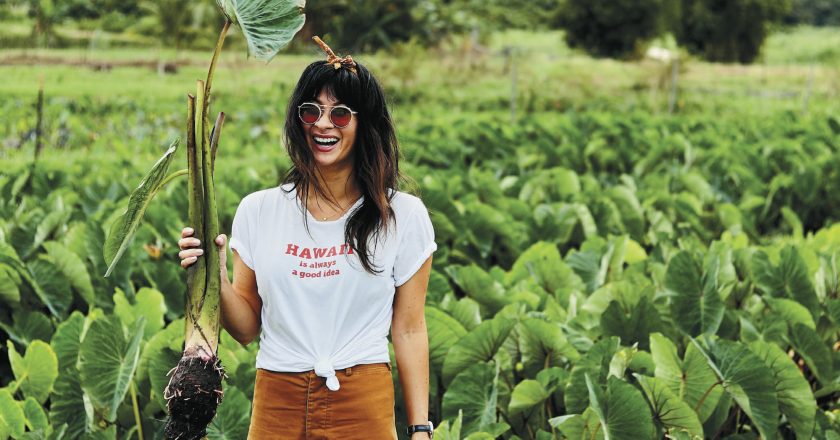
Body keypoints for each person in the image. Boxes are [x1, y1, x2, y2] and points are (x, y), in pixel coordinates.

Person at [177, 37, 437, 439]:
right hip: (278, 400)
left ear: (365, 124)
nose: (323, 124)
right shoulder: (260, 210)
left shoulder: (402, 215)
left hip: (361, 401)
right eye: (311, 111)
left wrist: (420, 429)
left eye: (342, 114)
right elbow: (246, 327)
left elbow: (409, 330)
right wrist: (215, 275)